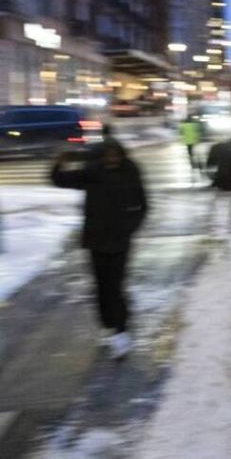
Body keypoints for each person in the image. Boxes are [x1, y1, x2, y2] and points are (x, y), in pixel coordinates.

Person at [50, 140, 148, 360]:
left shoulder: (130, 171)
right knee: (101, 286)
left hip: (120, 240)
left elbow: (143, 204)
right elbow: (60, 180)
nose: (112, 159)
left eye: (116, 155)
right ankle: (107, 325)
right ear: (102, 156)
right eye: (108, 155)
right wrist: (59, 163)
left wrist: (130, 227)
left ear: (121, 155)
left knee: (116, 286)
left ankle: (121, 331)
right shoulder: (92, 171)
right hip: (96, 240)